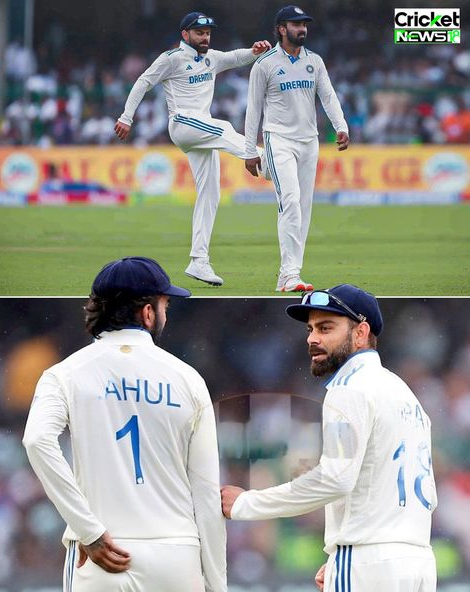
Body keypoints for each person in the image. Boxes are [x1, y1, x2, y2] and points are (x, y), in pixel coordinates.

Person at [23, 256, 226, 592]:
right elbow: (206, 494)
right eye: (165, 305)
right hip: (177, 557)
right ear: (147, 313)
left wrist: (88, 531)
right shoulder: (188, 379)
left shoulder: (65, 373)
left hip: (103, 556)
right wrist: (217, 585)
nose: (166, 314)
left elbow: (36, 441)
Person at [221, 284, 437, 592]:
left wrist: (246, 503)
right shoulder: (405, 394)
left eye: (326, 328)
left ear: (361, 333)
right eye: (311, 329)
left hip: (368, 561)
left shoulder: (348, 387)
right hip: (419, 562)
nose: (312, 339)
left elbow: (334, 480)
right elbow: (427, 494)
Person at [115, 13, 271, 287]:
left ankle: (199, 261)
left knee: (210, 192)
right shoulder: (172, 58)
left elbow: (235, 58)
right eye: (199, 32)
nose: (205, 37)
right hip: (182, 123)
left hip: (200, 134)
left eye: (208, 32)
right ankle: (266, 158)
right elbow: (143, 82)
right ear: (185, 34)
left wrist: (254, 51)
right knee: (222, 126)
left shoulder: (211, 58)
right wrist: (126, 117)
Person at [244, 6, 350, 292]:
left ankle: (290, 274)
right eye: (296, 24)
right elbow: (253, 109)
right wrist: (248, 149)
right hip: (278, 138)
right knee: (289, 201)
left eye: (304, 24)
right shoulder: (264, 64)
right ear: (281, 28)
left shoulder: (314, 61)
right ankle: (290, 274)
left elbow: (328, 96)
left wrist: (341, 126)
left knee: (303, 207)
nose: (302, 29)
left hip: (309, 140)